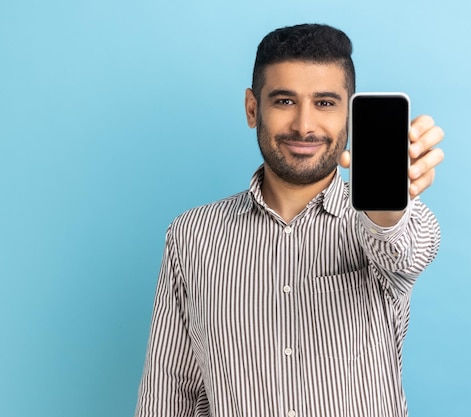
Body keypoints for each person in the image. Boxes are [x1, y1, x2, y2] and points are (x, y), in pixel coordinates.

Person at [135, 23, 445, 417]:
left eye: (325, 103)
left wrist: (388, 209)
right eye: (284, 101)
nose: (304, 125)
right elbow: (170, 387)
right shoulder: (191, 234)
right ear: (253, 109)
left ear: (349, 113)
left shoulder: (391, 221)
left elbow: (402, 250)